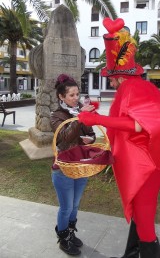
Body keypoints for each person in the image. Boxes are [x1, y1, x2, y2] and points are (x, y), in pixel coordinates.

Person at [78, 18, 160, 258]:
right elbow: (128, 123)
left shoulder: (132, 88)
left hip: (148, 167)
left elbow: (139, 125)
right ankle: (131, 254)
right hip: (147, 164)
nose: (110, 82)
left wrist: (98, 120)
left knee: (145, 224)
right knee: (139, 213)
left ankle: (143, 252)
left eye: (111, 77)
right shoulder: (135, 88)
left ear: (118, 76)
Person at [50, 74, 96, 256]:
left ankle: (69, 232)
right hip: (63, 168)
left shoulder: (80, 112)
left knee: (75, 206)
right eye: (71, 95)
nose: (76, 98)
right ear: (61, 96)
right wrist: (80, 118)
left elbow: (91, 133)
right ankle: (63, 239)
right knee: (66, 207)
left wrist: (90, 138)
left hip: (81, 165)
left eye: (77, 94)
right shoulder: (56, 116)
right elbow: (64, 138)